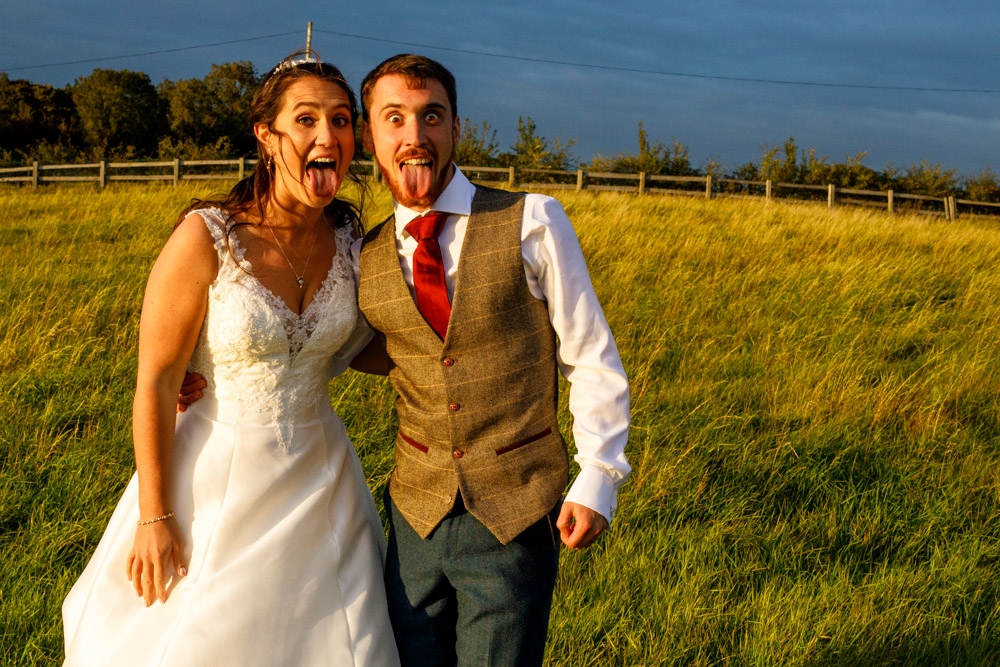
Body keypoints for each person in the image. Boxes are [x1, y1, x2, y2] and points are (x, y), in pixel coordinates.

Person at [61, 53, 400, 666]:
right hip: (213, 476)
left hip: (322, 479)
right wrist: (154, 515)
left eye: (343, 120)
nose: (328, 136)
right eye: (306, 120)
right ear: (267, 136)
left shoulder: (355, 243)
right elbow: (158, 383)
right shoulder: (206, 236)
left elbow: (377, 346)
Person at [355, 54, 631, 666]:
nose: (414, 136)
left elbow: (589, 356)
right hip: (412, 517)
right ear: (369, 135)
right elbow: (320, 343)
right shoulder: (364, 253)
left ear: (458, 129)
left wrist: (598, 478)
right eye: (393, 118)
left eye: (432, 116)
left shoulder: (532, 221)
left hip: (516, 509)